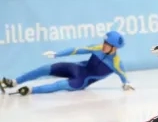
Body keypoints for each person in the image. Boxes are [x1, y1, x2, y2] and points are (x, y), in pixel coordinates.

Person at [0, 31, 134, 95]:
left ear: (115, 47)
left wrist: (126, 84)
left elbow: (123, 76)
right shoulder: (98, 48)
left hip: (82, 81)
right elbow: (76, 50)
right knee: (46, 68)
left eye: (107, 44)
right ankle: (14, 82)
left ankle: (30, 90)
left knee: (59, 85)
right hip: (77, 69)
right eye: (104, 42)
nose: (103, 45)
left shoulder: (116, 63)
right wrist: (57, 54)